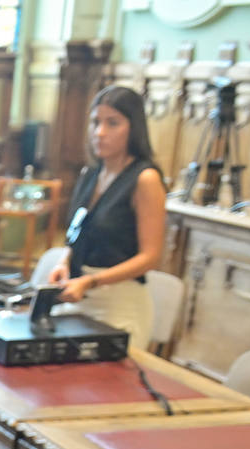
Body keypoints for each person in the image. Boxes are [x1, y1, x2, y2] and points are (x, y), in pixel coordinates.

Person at [48, 85, 165, 350]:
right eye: (95, 122)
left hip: (119, 304)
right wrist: (65, 262)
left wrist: (91, 281)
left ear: (133, 128)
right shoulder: (90, 174)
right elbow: (79, 232)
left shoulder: (145, 179)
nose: (99, 132)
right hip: (76, 297)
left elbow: (151, 257)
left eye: (112, 123)